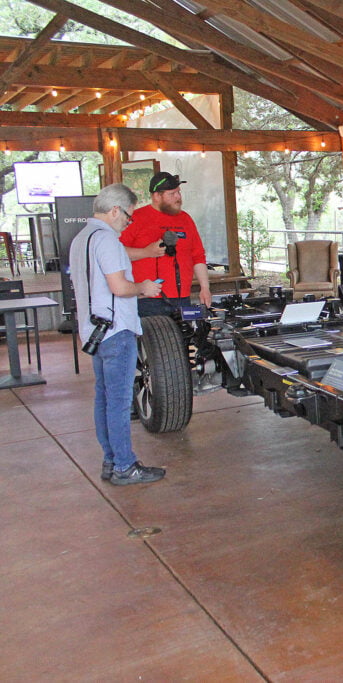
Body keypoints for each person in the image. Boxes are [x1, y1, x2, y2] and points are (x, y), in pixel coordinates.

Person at [69, 184, 166, 485]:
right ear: (115, 210)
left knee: (104, 399)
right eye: (128, 215)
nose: (129, 221)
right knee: (120, 402)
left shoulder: (81, 238)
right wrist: (145, 287)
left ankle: (111, 461)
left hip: (93, 331)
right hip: (116, 331)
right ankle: (125, 465)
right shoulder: (108, 241)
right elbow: (119, 287)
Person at [120, 172, 212, 316]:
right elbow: (117, 252)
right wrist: (146, 252)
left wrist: (205, 287)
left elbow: (198, 256)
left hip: (182, 297)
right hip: (148, 298)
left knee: (185, 338)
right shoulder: (135, 219)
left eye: (179, 193)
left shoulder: (185, 219)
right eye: (172, 194)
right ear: (157, 196)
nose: (178, 197)